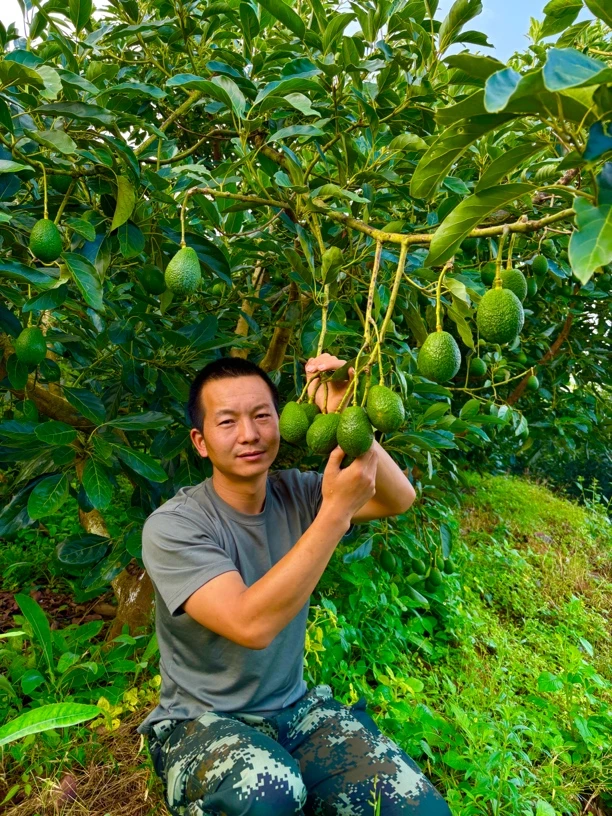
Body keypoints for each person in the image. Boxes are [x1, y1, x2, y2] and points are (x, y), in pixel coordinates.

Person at [137, 354, 451, 816]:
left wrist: (342, 411)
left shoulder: (298, 493)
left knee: (418, 809)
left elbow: (398, 497)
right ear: (200, 442)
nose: (250, 433)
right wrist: (334, 513)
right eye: (228, 422)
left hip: (297, 712)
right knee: (270, 793)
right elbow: (250, 623)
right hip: (198, 724)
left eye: (262, 416)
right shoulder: (173, 527)